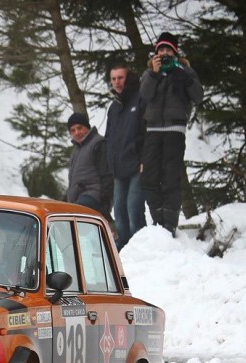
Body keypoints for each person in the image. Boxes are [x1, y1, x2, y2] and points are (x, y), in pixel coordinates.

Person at [139, 31, 203, 236]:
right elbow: (145, 95)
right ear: (156, 53)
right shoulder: (149, 72)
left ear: (175, 52)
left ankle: (170, 223)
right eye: (161, 50)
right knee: (149, 178)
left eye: (168, 50)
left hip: (175, 130)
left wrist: (183, 77)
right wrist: (154, 74)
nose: (164, 53)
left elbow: (198, 96)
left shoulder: (185, 70)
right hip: (153, 130)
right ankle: (158, 220)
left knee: (170, 177)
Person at [106, 61, 146, 250]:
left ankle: (140, 246)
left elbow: (148, 131)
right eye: (113, 79)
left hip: (137, 163)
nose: (117, 82)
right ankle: (124, 247)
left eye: (120, 77)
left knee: (133, 207)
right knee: (119, 210)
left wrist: (145, 158)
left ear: (127, 77)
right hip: (118, 167)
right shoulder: (113, 108)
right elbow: (109, 138)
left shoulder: (140, 98)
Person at [66, 112, 112, 217]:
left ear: (87, 127)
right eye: (73, 130)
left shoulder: (98, 144)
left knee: (73, 216)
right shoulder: (76, 152)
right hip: (77, 199)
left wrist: (104, 203)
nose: (77, 133)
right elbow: (74, 182)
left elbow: (107, 175)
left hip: (93, 195)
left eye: (79, 128)